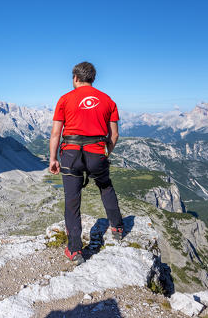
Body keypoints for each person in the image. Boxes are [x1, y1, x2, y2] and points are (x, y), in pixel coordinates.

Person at [49, 61, 124, 265]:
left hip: (70, 155)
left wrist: (53, 158)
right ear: (93, 78)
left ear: (75, 78)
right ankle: (117, 227)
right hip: (96, 152)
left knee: (72, 199)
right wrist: (106, 153)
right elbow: (114, 134)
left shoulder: (64, 99)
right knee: (105, 187)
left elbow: (56, 132)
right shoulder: (108, 100)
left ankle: (74, 250)